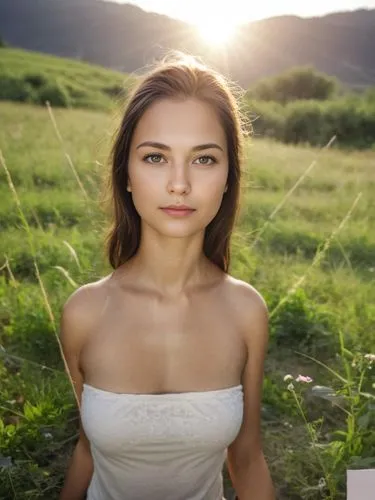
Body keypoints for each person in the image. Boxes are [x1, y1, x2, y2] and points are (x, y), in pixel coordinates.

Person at [58, 52, 275, 500]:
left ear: (229, 177)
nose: (179, 184)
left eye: (204, 159)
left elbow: (247, 458)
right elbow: (87, 448)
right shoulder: (84, 313)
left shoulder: (246, 312)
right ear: (127, 175)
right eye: (156, 158)